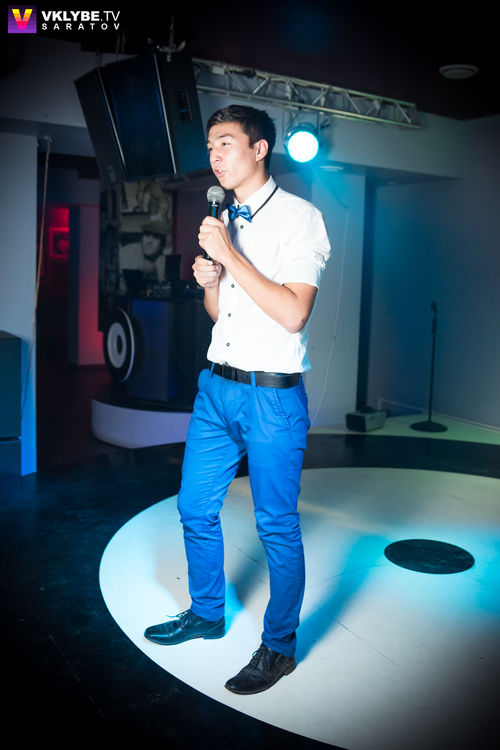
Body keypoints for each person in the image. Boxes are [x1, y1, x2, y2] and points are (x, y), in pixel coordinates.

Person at [144, 105, 331, 694]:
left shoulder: (301, 218)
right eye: (210, 146)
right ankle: (206, 613)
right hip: (216, 389)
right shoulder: (222, 217)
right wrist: (210, 283)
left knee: (276, 525)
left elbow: (293, 313)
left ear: (259, 148)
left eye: (225, 142)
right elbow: (220, 314)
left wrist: (229, 257)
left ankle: (279, 647)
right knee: (195, 507)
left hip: (271, 397)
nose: (215, 155)